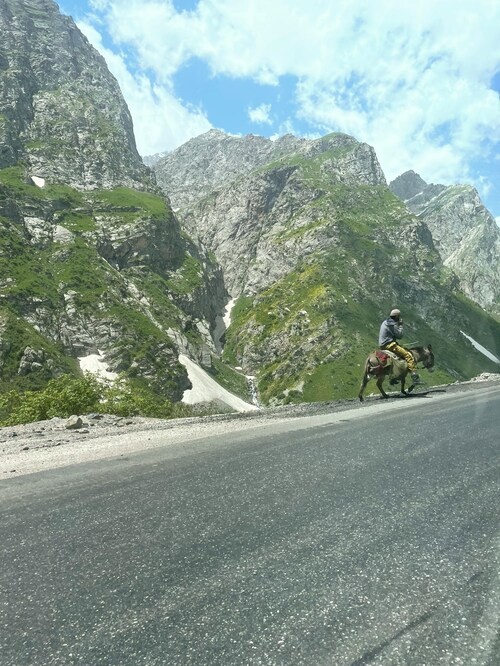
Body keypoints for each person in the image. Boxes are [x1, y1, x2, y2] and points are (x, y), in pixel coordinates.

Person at [378, 308, 422, 384]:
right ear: (397, 316)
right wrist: (400, 326)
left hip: (382, 345)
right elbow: (399, 335)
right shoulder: (392, 325)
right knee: (408, 355)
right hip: (389, 345)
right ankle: (415, 377)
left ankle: (394, 376)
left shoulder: (385, 322)